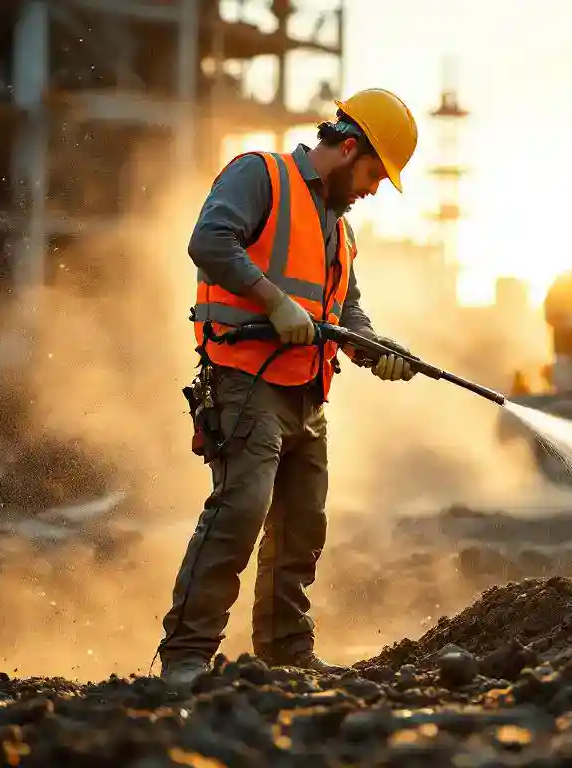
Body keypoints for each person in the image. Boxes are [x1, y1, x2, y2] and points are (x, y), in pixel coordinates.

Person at [157, 88, 419, 686]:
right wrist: (273, 303)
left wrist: (375, 349)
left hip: (308, 395)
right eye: (375, 173)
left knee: (302, 525)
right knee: (240, 510)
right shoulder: (262, 176)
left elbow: (345, 310)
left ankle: (286, 653)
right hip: (247, 383)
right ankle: (187, 657)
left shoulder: (341, 231)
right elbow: (208, 243)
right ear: (348, 148)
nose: (375, 189)